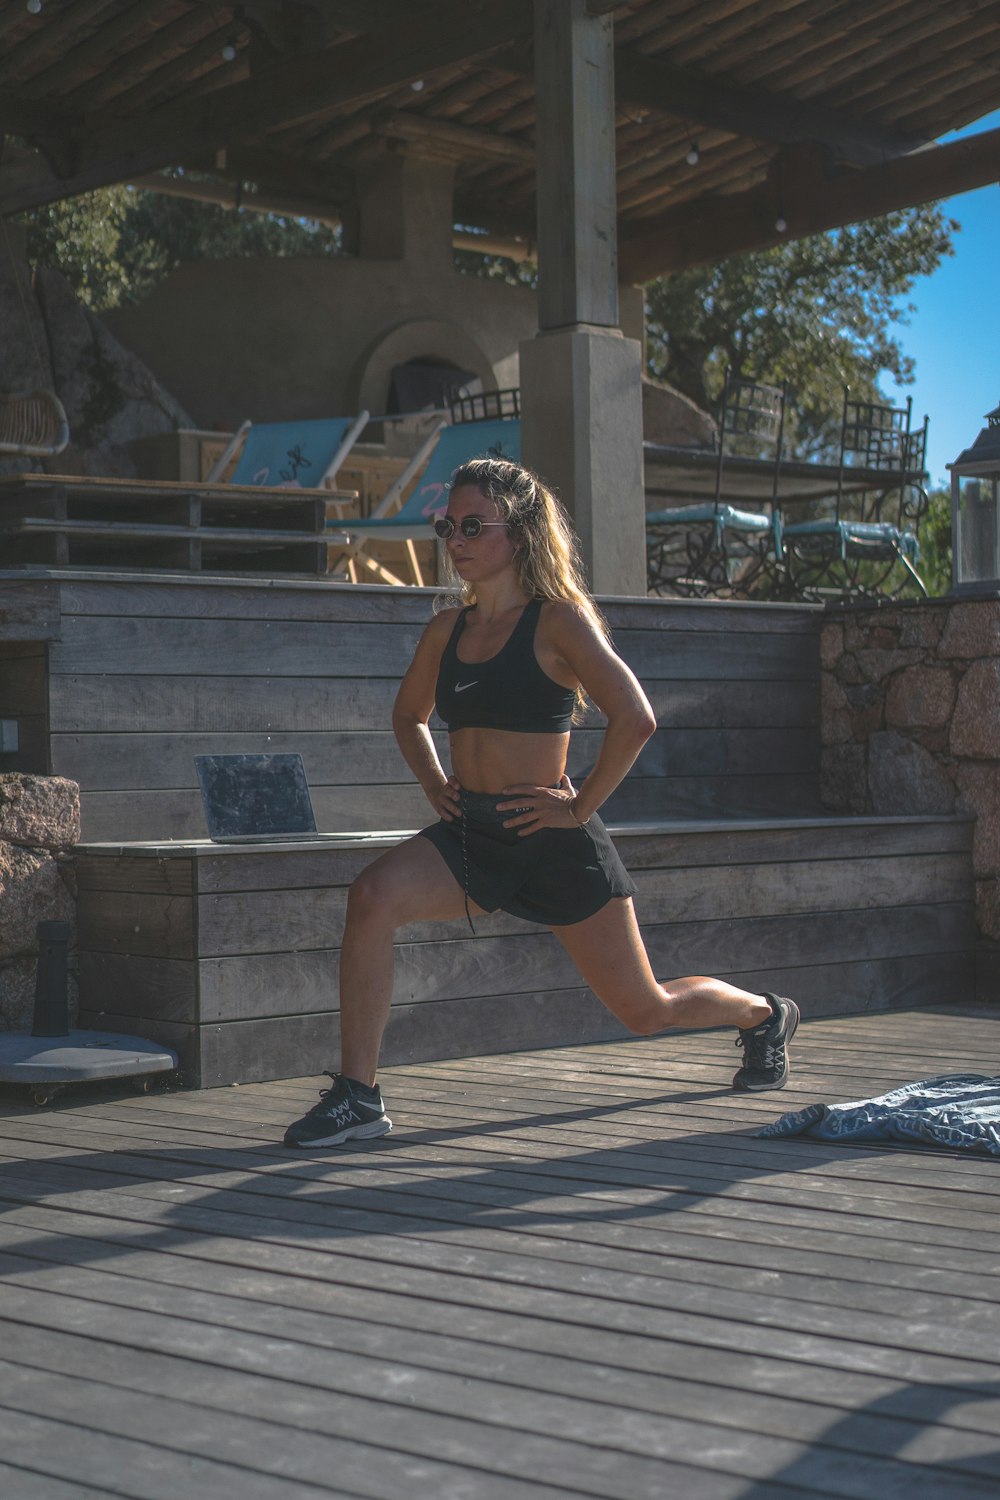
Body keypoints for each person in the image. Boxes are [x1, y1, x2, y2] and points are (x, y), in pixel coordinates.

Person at [283, 457, 799, 1149]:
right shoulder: (446, 630)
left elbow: (636, 717)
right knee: (372, 895)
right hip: (475, 833)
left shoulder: (558, 622)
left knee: (647, 1011)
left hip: (553, 840)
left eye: (473, 526)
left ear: (519, 535)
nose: (456, 540)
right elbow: (408, 717)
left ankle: (763, 1016)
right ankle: (358, 1096)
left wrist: (580, 808)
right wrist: (434, 781)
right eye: (448, 525)